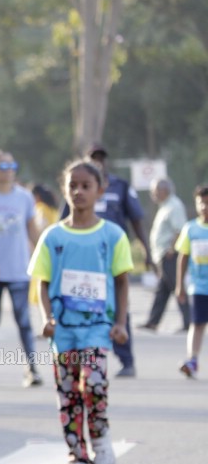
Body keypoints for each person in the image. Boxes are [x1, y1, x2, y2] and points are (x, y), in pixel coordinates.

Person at [27, 160, 132, 464]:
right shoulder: (53, 237)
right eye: (73, 185)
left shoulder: (112, 235)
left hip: (98, 328)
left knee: (95, 383)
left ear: (100, 190)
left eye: (86, 186)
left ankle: (100, 434)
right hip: (64, 331)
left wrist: (121, 323)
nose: (79, 191)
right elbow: (43, 281)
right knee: (68, 393)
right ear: (64, 190)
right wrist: (47, 317)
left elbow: (122, 281)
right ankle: (77, 456)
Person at [60, 144, 152, 377]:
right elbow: (63, 223)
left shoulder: (120, 186)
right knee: (82, 307)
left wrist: (147, 250)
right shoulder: (76, 188)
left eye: (101, 158)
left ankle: (126, 359)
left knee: (119, 306)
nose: (98, 161)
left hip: (110, 256)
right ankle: (82, 357)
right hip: (81, 260)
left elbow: (136, 220)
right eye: (93, 158)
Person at [0, 149, 42, 387]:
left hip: (18, 270)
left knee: (24, 321)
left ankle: (32, 369)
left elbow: (32, 230)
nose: (6, 170)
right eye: (0, 166)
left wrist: (44, 257)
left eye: (11, 165)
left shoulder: (24, 198)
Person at [141, 178, 190, 333]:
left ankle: (190, 322)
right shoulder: (165, 206)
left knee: (178, 287)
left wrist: (171, 249)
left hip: (171, 256)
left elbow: (180, 230)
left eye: (155, 190)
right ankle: (153, 321)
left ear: (164, 190)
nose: (153, 194)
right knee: (162, 291)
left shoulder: (174, 206)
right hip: (163, 255)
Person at [174, 185, 208, 378]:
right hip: (199, 286)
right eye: (201, 202)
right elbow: (183, 257)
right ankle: (192, 360)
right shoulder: (191, 229)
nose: (205, 207)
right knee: (197, 324)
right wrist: (180, 286)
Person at [29, 184, 60, 308]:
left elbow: (40, 227)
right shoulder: (53, 209)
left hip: (44, 247)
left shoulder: (40, 208)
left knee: (41, 279)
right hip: (55, 247)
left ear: (37, 196)